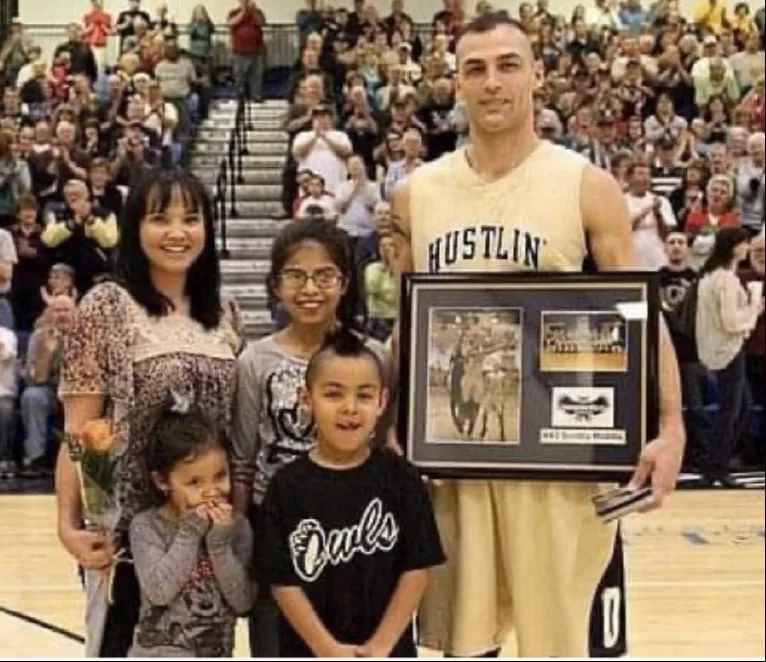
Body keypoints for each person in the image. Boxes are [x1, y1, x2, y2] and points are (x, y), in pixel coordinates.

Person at [388, 11, 684, 657]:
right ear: (456, 84)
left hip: (562, 464)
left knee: (558, 647)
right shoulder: (417, 194)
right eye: (475, 69)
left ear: (538, 75)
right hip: (459, 461)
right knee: (466, 646)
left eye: (507, 64)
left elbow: (639, 313)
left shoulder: (585, 184)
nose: (491, 82)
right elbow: (411, 324)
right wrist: (395, 416)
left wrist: (670, 425)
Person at [55, 168, 242, 657]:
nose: (177, 233)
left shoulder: (224, 310)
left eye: (191, 219)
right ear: (135, 227)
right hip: (129, 537)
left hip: (204, 530)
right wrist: (71, 524)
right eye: (161, 219)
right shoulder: (106, 305)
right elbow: (83, 430)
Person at [231, 219, 393, 657]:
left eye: (324, 276)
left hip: (357, 530)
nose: (310, 289)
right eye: (296, 276)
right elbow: (244, 461)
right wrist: (239, 543)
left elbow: (385, 444)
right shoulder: (255, 361)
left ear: (344, 282)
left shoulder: (374, 356)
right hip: (277, 530)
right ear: (276, 284)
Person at [254, 328, 445, 657]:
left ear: (382, 402)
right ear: (306, 398)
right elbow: (282, 581)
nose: (349, 408)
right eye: (333, 394)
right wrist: (325, 648)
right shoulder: (286, 486)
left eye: (364, 395)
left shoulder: (402, 479)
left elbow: (416, 569)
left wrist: (382, 645)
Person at [129, 396, 252, 656]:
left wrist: (219, 545)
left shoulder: (237, 527)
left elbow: (243, 602)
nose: (211, 492)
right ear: (163, 482)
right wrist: (190, 532)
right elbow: (159, 592)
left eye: (220, 476)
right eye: (194, 482)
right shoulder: (146, 527)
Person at [695, 227, 763, 485]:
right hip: (729, 350)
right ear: (735, 246)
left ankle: (718, 462)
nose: (747, 249)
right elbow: (731, 322)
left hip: (718, 349)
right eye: (745, 244)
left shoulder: (709, 276)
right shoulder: (725, 279)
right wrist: (754, 310)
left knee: (742, 410)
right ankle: (716, 468)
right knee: (731, 412)